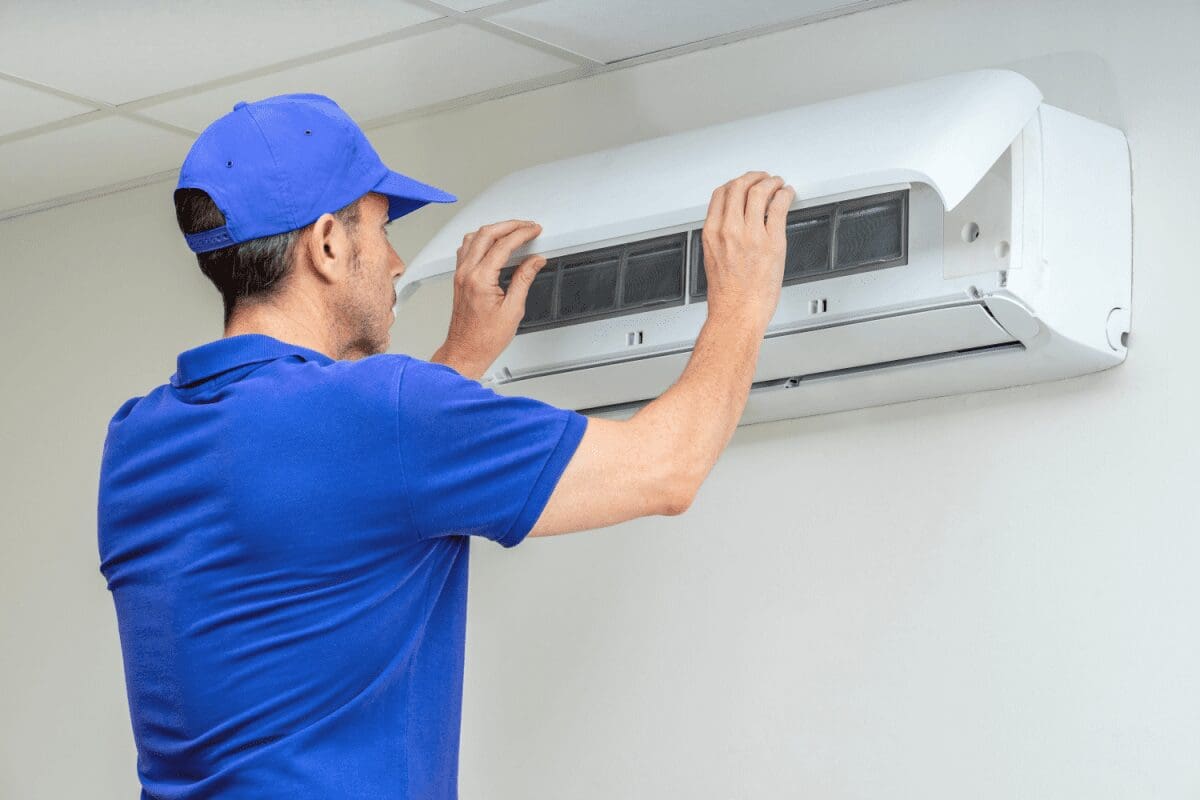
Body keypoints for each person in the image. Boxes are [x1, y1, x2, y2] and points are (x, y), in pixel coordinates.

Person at [97, 93, 794, 799]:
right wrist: (744, 298)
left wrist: (457, 360)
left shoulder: (136, 440)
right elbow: (664, 469)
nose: (397, 262)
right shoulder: (385, 412)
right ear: (328, 243)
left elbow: (322, 497)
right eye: (379, 226)